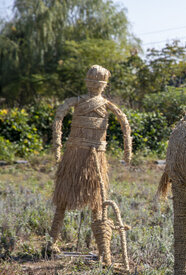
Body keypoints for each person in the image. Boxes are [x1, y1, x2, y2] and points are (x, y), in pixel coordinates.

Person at [48, 65, 131, 254]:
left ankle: (102, 250)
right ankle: (54, 242)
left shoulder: (80, 102)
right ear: (105, 84)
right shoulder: (102, 104)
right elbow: (125, 124)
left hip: (89, 156)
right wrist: (127, 152)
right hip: (78, 155)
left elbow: (58, 117)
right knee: (76, 200)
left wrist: (57, 147)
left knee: (95, 201)